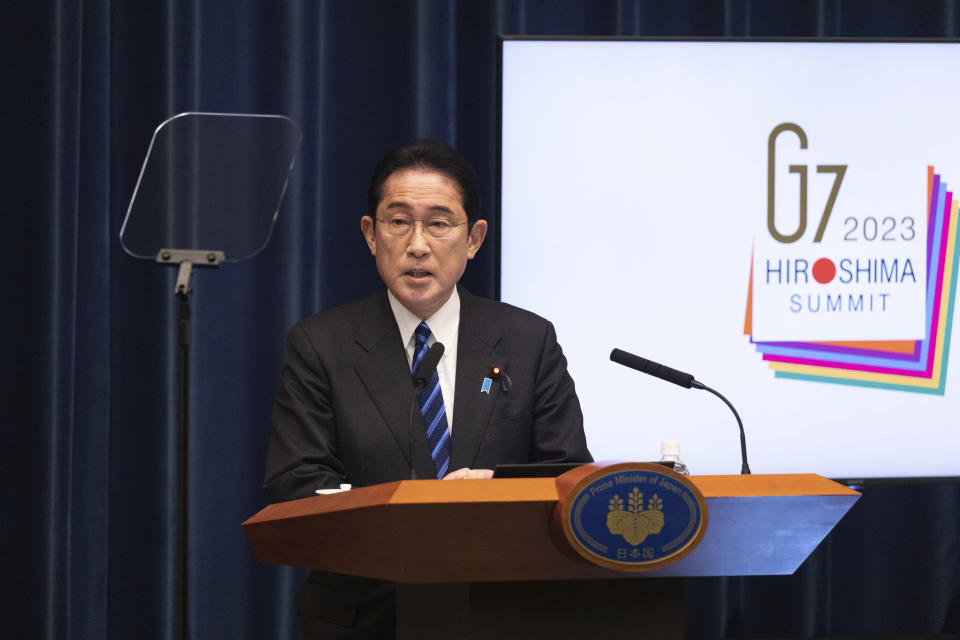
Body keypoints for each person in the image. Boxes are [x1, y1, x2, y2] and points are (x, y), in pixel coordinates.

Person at [263, 139, 592, 638]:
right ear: (371, 235)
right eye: (399, 222)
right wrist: (410, 516)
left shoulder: (529, 340)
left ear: (474, 238)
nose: (418, 244)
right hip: (367, 614)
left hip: (502, 611)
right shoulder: (320, 345)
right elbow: (298, 484)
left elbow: (567, 474)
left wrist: (495, 492)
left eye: (439, 223)